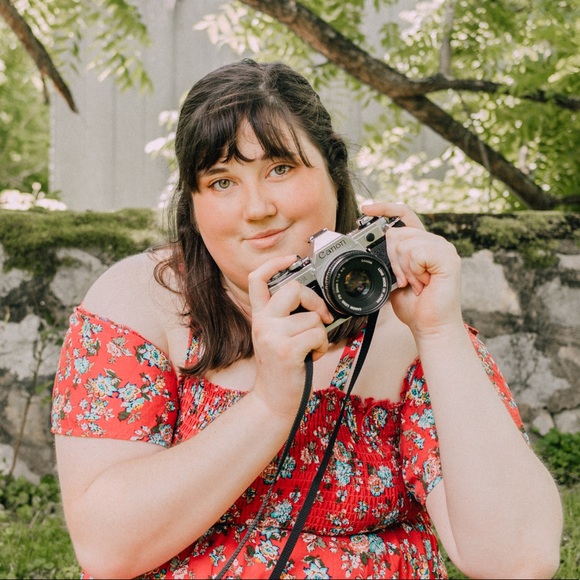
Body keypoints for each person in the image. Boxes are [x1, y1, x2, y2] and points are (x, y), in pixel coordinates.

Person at [51, 59, 562, 579]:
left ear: (334, 174)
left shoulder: (410, 324)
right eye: (222, 181)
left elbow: (519, 559)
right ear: (194, 206)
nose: (256, 208)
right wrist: (270, 404)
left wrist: (438, 332)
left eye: (280, 169)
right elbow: (107, 549)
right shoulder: (142, 301)